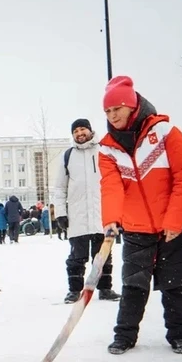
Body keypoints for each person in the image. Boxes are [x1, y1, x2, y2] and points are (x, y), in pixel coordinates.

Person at [98, 76, 182, 355]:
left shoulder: (166, 132)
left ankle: (179, 333)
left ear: (131, 106)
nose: (112, 116)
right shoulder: (108, 147)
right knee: (133, 285)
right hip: (136, 227)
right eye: (108, 111)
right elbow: (111, 187)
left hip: (175, 223)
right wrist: (111, 219)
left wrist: (174, 220)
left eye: (116, 109)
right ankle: (124, 335)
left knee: (176, 284)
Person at [54, 118, 122, 304]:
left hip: (102, 214)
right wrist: (60, 213)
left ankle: (105, 289)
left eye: (82, 129)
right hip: (77, 216)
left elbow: (117, 183)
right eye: (75, 131)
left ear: (90, 130)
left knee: (103, 255)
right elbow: (59, 188)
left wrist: (119, 212)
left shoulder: (104, 151)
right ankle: (74, 291)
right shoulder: (67, 156)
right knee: (76, 257)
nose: (79, 133)